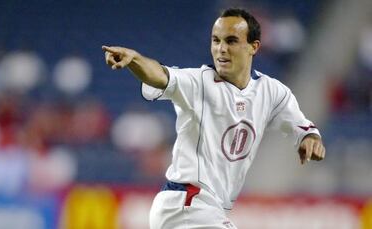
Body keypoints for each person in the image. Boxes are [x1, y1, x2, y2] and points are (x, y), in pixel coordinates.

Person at [103, 7, 325, 229]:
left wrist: (310, 138)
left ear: (253, 47)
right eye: (216, 40)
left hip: (205, 208)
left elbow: (301, 126)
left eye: (231, 41)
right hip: (187, 204)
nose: (221, 49)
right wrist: (135, 60)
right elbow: (160, 75)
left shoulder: (272, 91)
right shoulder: (198, 83)